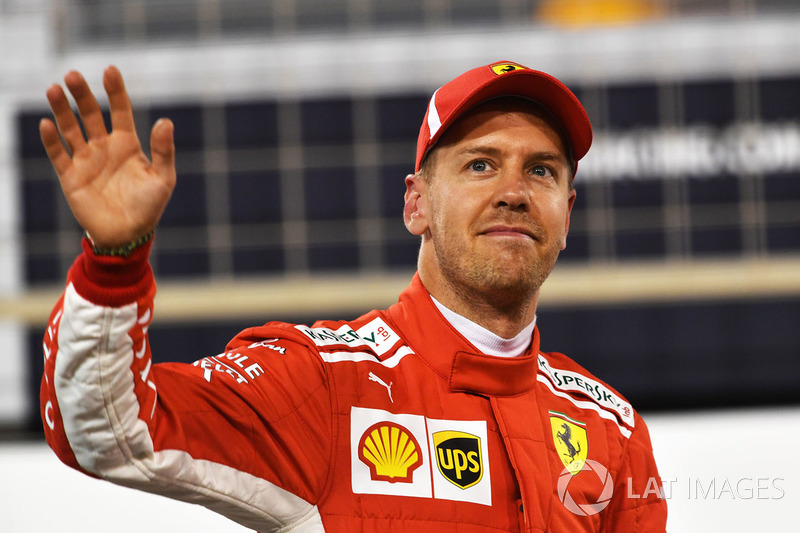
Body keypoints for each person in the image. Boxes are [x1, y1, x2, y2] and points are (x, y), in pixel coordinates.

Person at [39, 60, 667, 532]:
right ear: (416, 204)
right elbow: (109, 430)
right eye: (480, 164)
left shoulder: (609, 428)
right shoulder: (321, 383)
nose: (514, 191)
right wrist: (114, 263)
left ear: (567, 212)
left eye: (542, 170)